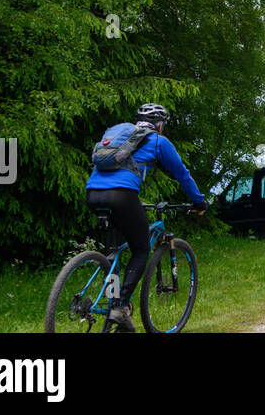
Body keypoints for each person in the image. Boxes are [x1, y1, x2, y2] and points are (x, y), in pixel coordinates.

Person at [85, 103, 206, 332]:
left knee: (115, 254)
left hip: (92, 194)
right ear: (160, 125)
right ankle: (120, 308)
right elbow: (181, 173)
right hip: (122, 196)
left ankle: (116, 314)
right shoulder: (158, 140)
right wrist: (198, 201)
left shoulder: (119, 132)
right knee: (141, 249)